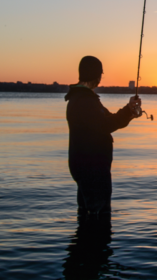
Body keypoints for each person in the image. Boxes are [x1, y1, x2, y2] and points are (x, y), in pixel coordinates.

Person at [65, 56, 141, 215]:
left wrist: (129, 110)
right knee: (98, 219)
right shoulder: (84, 101)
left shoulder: (84, 98)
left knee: (87, 217)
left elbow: (108, 120)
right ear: (97, 75)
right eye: (101, 74)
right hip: (93, 172)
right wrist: (128, 112)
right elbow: (106, 125)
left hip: (89, 170)